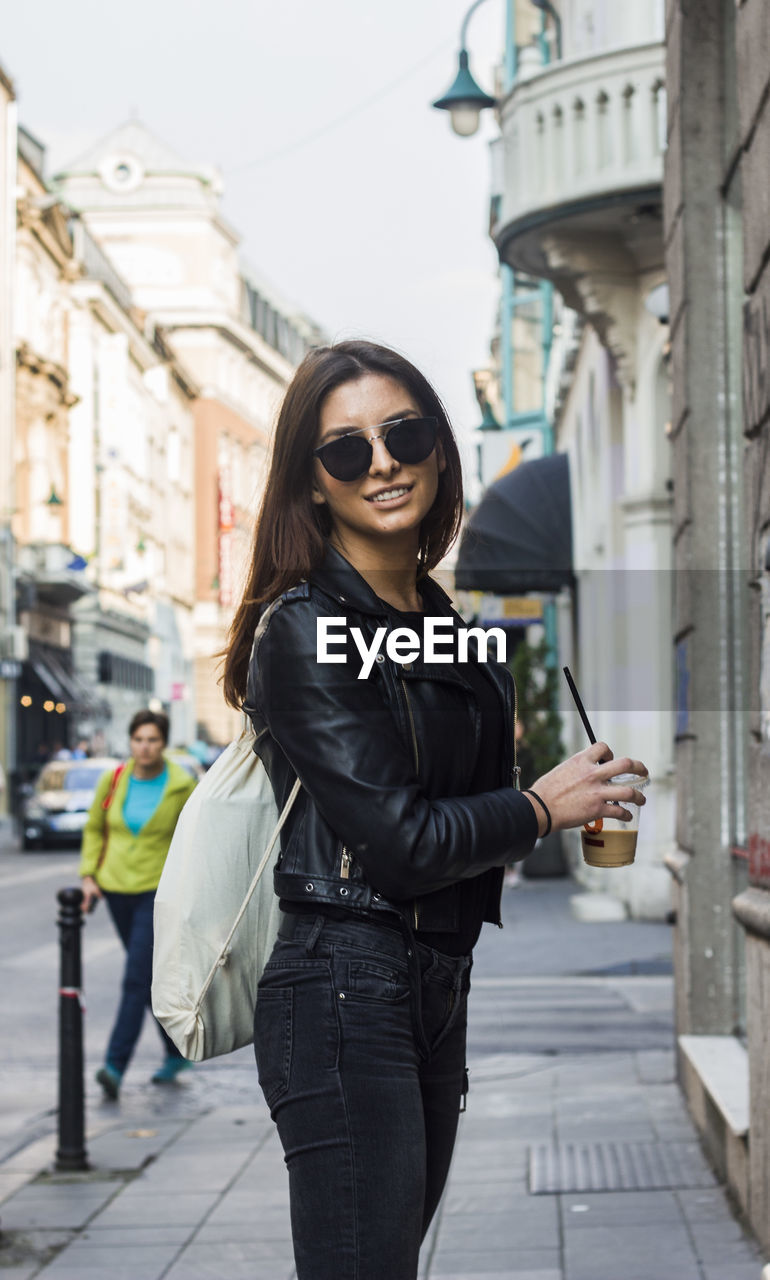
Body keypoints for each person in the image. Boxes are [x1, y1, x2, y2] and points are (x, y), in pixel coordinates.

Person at [222, 340, 648, 1280]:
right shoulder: (303, 630)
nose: (381, 461)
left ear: (440, 451)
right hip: (343, 984)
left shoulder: (437, 623)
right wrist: (540, 807)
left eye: (403, 432)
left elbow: (441, 798)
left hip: (430, 985)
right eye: (345, 450)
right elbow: (405, 844)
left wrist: (563, 788)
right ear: (314, 485)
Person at [79, 709, 197, 1098]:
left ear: (164, 744)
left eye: (152, 740)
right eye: (138, 739)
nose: (144, 747)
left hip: (156, 890)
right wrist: (89, 877)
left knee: (134, 979)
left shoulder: (181, 785)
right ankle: (174, 1051)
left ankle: (114, 1065)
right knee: (144, 977)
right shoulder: (113, 779)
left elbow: (193, 839)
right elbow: (95, 828)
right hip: (115, 888)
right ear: (130, 742)